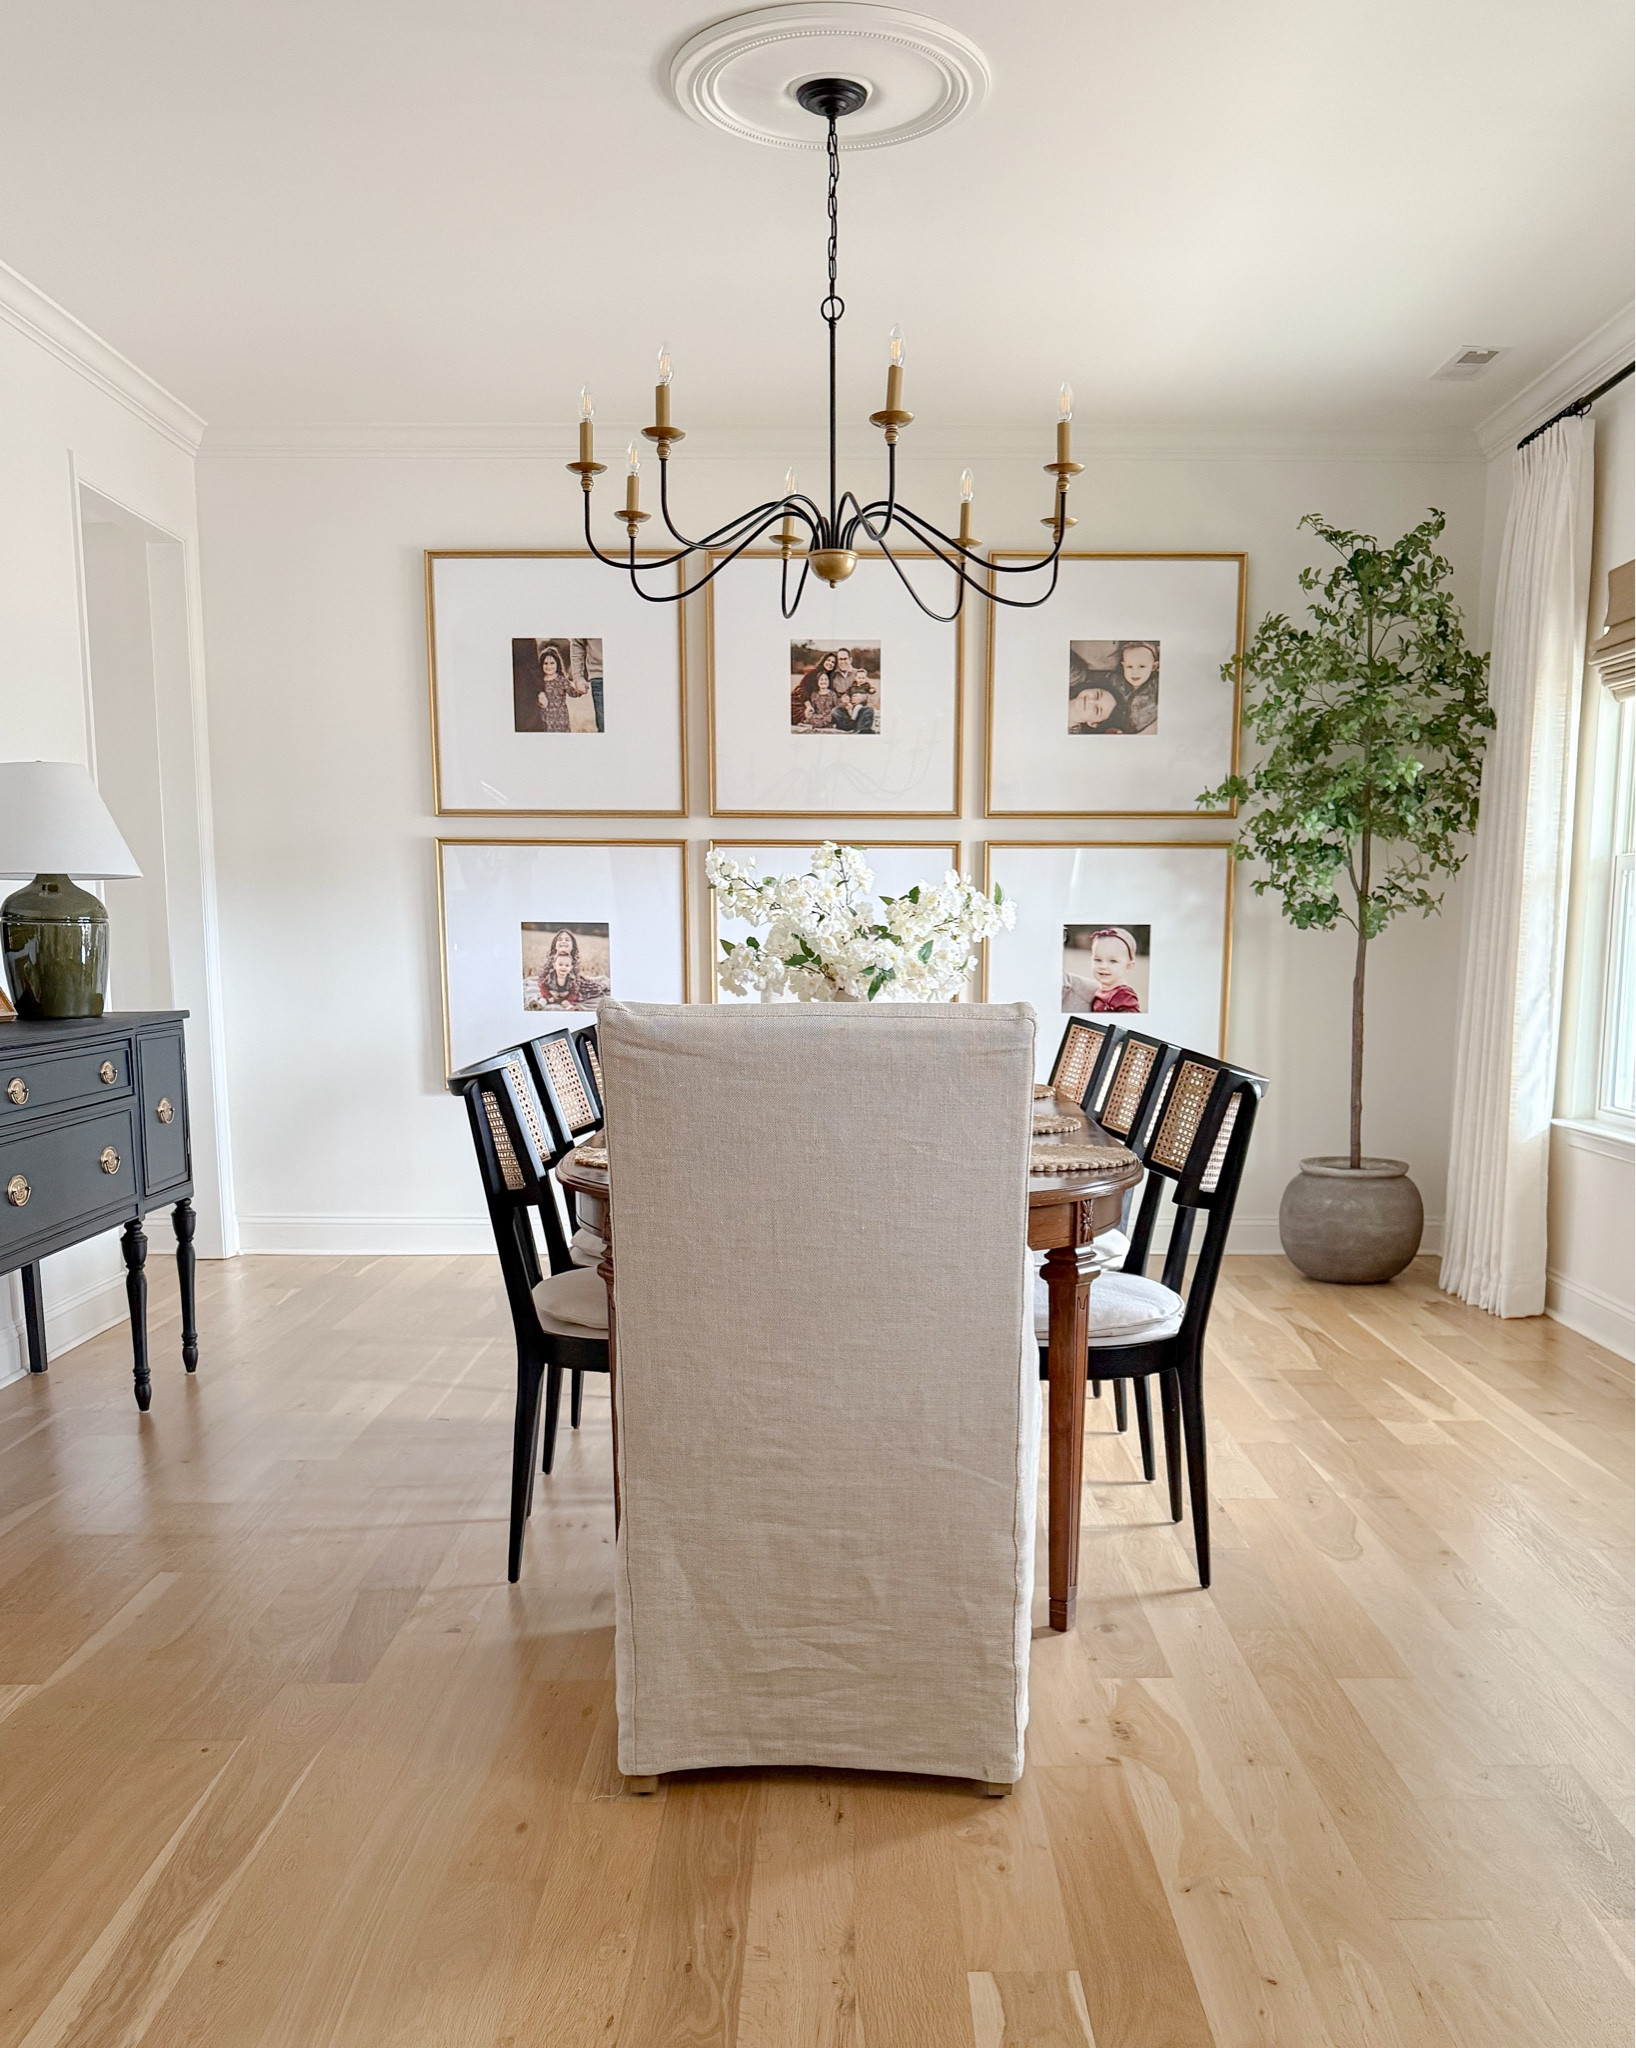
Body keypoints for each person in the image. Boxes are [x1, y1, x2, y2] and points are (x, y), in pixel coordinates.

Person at [1062, 927, 1142, 1013]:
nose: (1103, 966)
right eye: (1097, 960)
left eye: (1113, 961)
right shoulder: (1099, 990)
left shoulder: (1124, 996)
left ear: (1129, 965)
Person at [536, 928, 609, 1010]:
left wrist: (567, 996)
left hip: (570, 988)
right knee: (543, 996)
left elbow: (576, 984)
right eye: (560, 939)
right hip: (553, 988)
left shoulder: (573, 961)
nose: (563, 941)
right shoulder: (552, 960)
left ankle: (605, 984)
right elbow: (541, 979)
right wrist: (550, 993)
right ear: (555, 946)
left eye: (567, 940)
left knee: (593, 988)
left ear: (572, 947)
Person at [1113, 640, 1160, 733]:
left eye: (1142, 666)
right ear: (1123, 666)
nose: (1135, 672)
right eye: (1129, 666)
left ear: (1154, 667)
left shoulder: (1156, 688)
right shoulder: (1116, 684)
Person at [534, 645, 572, 733]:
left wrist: (580, 688)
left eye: (552, 663)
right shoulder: (539, 682)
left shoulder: (562, 680)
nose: (549, 666)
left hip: (561, 720)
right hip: (544, 720)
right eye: (545, 663)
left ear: (557, 664)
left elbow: (573, 693)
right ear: (541, 664)